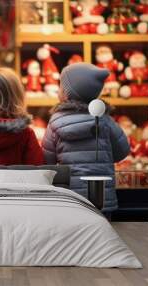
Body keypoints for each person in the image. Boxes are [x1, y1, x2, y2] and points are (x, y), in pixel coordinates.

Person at [42, 63, 130, 211]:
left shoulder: (56, 122)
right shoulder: (105, 120)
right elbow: (123, 150)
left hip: (71, 197)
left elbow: (47, 160)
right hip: (101, 197)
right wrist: (103, 159)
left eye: (61, 86)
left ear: (67, 93)